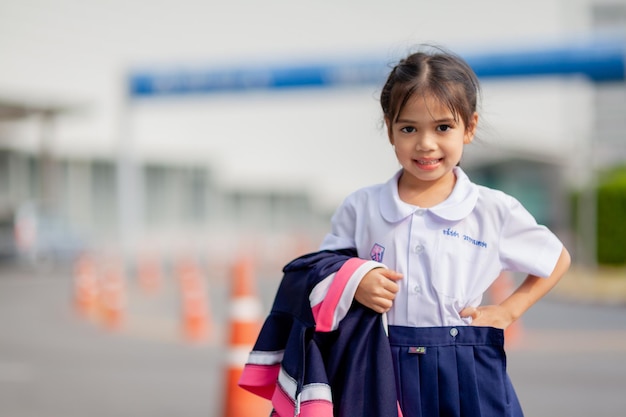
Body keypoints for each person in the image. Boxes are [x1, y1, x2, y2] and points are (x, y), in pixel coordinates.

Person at [315, 46, 571, 417]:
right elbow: (324, 270)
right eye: (408, 128)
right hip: (381, 363)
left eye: (443, 127)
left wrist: (506, 312)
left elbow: (556, 257)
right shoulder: (362, 206)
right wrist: (357, 282)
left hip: (467, 362)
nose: (426, 144)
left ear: (469, 127)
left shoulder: (492, 209)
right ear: (389, 130)